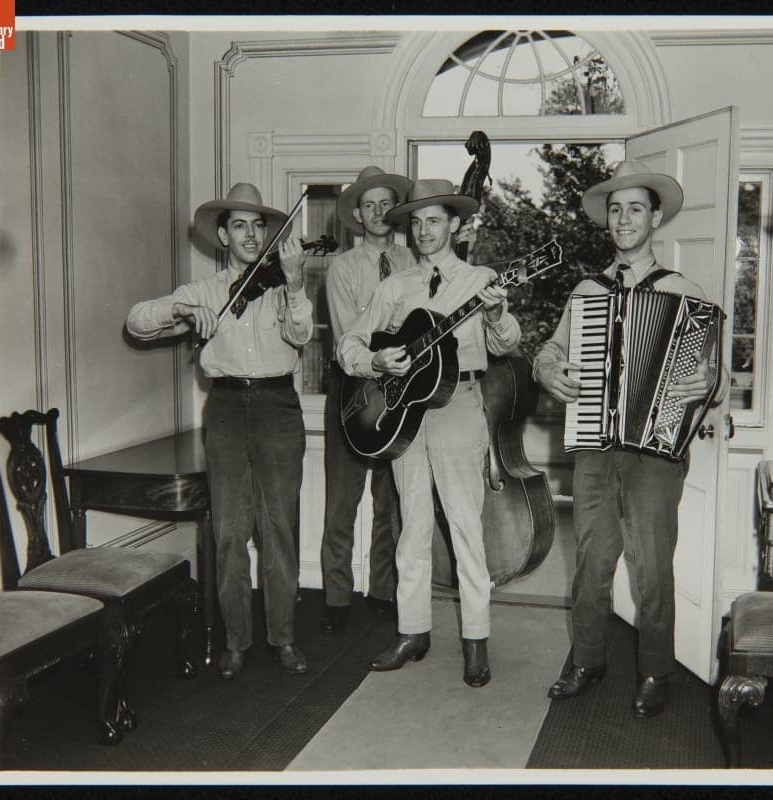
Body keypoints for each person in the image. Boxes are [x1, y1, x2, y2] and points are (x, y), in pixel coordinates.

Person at [533, 161, 726, 718]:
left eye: (635, 209)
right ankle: (587, 660)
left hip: (655, 453)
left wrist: (709, 382)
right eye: (615, 210)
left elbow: (717, 378)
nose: (623, 219)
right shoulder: (586, 292)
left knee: (653, 566)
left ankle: (656, 671)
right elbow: (552, 350)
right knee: (590, 560)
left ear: (655, 218)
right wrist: (548, 370)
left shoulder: (683, 293)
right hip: (595, 444)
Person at [337, 178, 521, 688]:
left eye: (434, 221)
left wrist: (497, 314)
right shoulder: (395, 286)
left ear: (455, 225)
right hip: (404, 415)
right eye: (416, 222)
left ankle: (475, 641)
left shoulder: (481, 279)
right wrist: (376, 361)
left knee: (465, 528)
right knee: (412, 528)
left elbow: (506, 344)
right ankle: (413, 631)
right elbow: (349, 345)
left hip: (459, 405)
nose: (423, 231)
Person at [126, 182, 313, 680]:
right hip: (226, 406)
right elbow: (137, 321)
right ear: (223, 235)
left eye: (259, 227)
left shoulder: (282, 285)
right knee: (229, 532)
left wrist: (296, 284)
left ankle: (284, 638)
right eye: (240, 226)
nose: (251, 235)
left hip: (277, 405)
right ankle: (235, 642)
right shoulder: (203, 291)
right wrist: (182, 311)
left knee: (279, 529)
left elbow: (300, 334)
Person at [319, 166, 414, 635]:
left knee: (389, 500)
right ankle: (336, 599)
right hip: (351, 387)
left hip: (399, 386)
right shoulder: (342, 267)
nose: (378, 212)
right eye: (369, 205)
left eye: (386, 203)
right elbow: (347, 338)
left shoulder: (413, 259)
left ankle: (382, 591)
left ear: (396, 210)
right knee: (342, 501)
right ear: (357, 214)